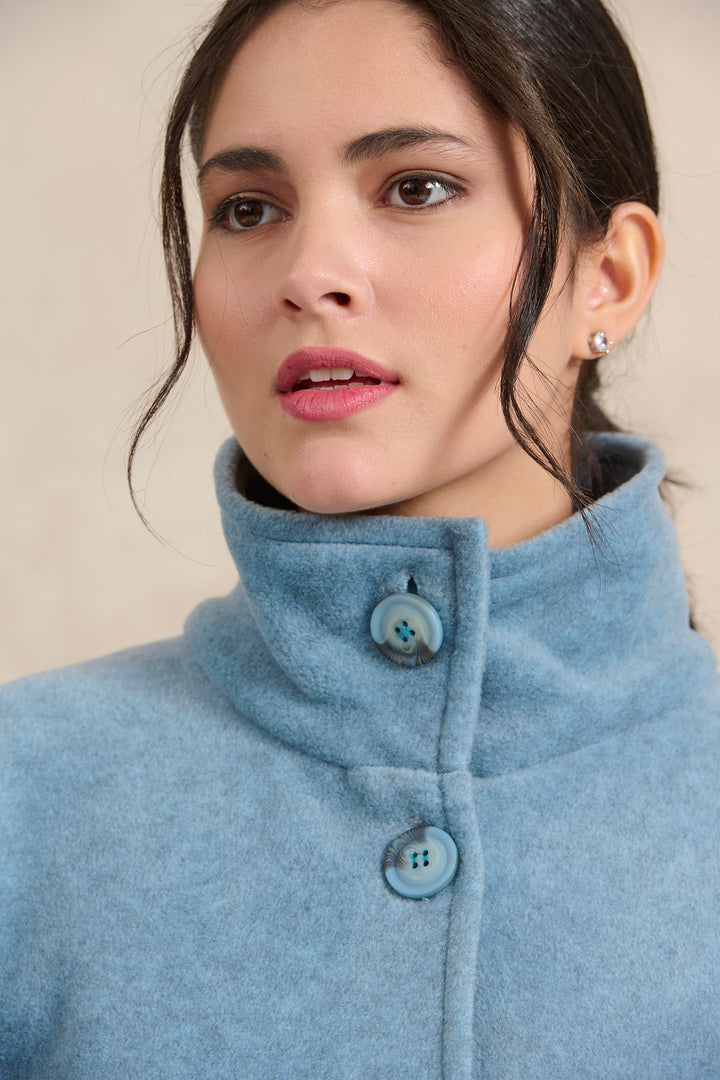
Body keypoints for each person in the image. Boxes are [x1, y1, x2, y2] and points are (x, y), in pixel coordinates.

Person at [1, 0, 718, 1075]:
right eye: (248, 208)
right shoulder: (26, 791)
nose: (308, 272)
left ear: (606, 278)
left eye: (416, 188)